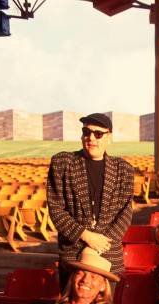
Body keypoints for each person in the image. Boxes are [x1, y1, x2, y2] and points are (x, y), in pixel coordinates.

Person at [47, 112, 134, 291]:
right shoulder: (62, 163)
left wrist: (96, 248)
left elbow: (125, 214)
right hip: (73, 254)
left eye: (98, 134)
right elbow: (56, 208)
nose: (91, 138)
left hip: (108, 256)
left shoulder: (124, 169)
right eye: (86, 132)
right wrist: (85, 235)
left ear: (109, 137)